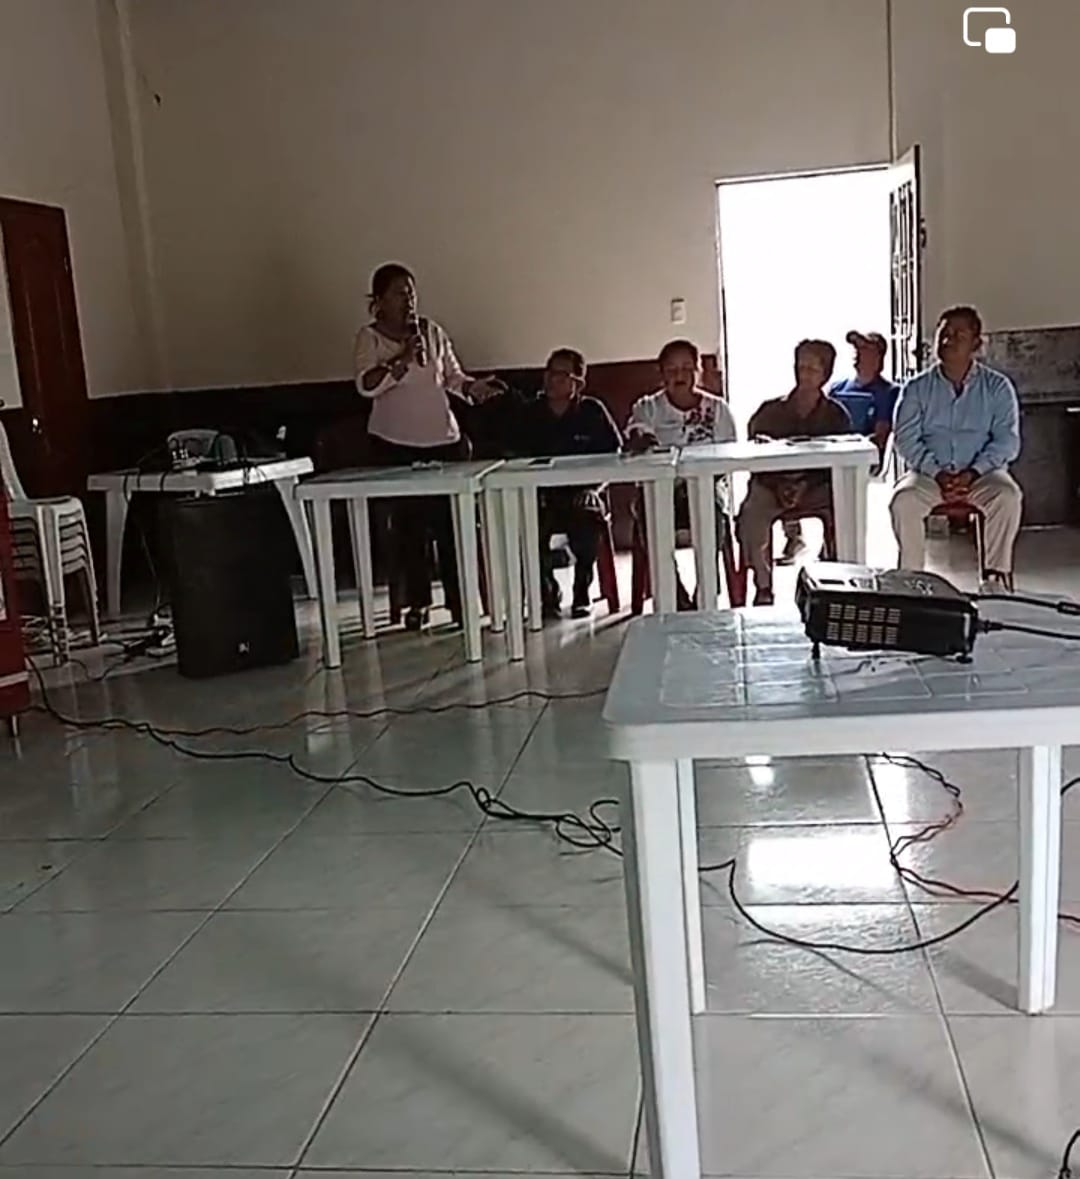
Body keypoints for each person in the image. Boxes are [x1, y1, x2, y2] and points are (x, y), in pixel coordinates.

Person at [353, 262, 504, 631]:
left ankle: (460, 603)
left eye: (412, 292)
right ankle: (417, 603)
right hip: (395, 445)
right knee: (410, 528)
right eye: (399, 293)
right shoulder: (369, 338)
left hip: (444, 441)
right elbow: (366, 386)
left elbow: (452, 376)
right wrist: (402, 359)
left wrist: (473, 388)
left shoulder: (431, 332)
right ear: (379, 301)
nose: (409, 300)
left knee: (452, 525)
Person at [889, 305, 1022, 591]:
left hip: (982, 475)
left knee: (1007, 496)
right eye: (944, 334)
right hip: (929, 475)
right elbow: (905, 439)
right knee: (903, 500)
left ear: (976, 344)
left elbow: (1007, 441)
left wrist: (973, 473)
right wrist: (938, 474)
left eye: (958, 335)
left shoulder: (997, 388)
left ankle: (995, 581)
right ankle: (911, 581)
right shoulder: (916, 388)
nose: (948, 340)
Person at [737, 339, 853, 605]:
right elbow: (755, 457)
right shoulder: (769, 412)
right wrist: (777, 484)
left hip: (817, 487)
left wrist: (806, 485)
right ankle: (763, 586)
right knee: (751, 514)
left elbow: (842, 462)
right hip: (772, 485)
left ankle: (837, 576)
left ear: (825, 374)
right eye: (801, 367)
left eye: (812, 369)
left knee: (844, 504)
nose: (804, 375)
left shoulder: (837, 416)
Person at [625, 339, 737, 608]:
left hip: (705, 490)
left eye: (687, 368)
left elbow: (728, 457)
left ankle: (705, 595)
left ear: (699, 371)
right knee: (651, 514)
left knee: (711, 514)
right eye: (672, 369)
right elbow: (636, 434)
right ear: (661, 373)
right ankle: (673, 595)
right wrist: (640, 440)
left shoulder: (718, 409)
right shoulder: (647, 407)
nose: (680, 375)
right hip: (661, 492)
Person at [514, 348, 622, 618]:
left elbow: (614, 456)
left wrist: (594, 489)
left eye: (561, 375)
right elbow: (514, 458)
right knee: (525, 524)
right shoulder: (529, 413)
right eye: (549, 372)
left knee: (587, 521)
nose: (552, 380)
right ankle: (547, 591)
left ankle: (581, 591)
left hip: (583, 493)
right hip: (541, 496)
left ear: (577, 383)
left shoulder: (592, 411)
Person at [778, 329, 899, 564]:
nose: (858, 354)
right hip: (822, 452)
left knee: (831, 486)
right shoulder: (837, 388)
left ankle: (834, 548)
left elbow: (881, 434)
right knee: (785, 475)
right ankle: (793, 536)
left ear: (879, 356)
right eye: (856, 349)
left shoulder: (888, 392)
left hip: (856, 457)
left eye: (864, 349)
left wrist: (854, 446)